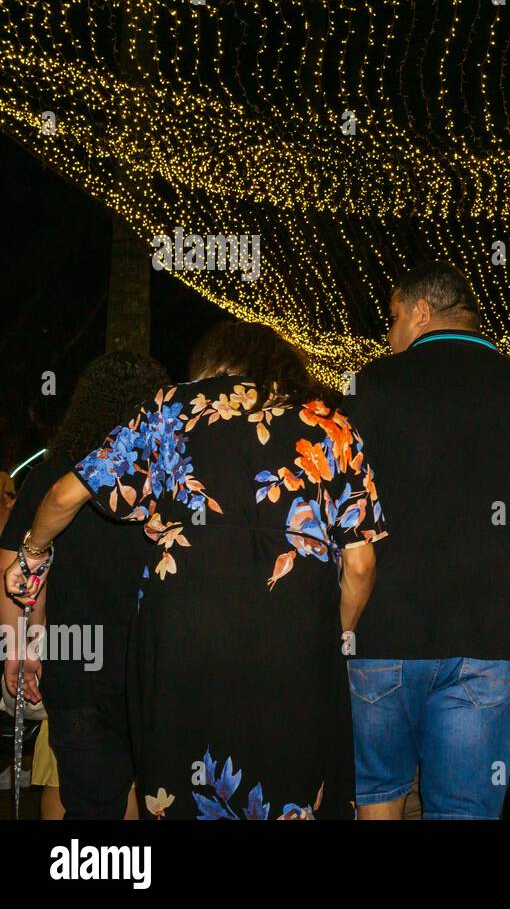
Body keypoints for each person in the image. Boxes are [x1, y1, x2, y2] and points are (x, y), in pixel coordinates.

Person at [3, 322, 384, 819]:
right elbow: (360, 562)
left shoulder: (171, 409)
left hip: (182, 642)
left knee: (184, 789)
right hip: (295, 647)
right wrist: (338, 632)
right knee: (296, 784)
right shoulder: (331, 425)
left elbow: (64, 495)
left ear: (211, 363)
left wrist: (32, 552)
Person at [344, 260, 510, 819]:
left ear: (422, 312)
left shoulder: (368, 390)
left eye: (395, 317)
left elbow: (343, 522)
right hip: (489, 644)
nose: (390, 333)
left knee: (378, 798)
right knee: (464, 810)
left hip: (382, 637)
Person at [2, 351, 167, 819]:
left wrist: (19, 646)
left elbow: (14, 570)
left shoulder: (54, 474)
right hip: (156, 667)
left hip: (75, 667)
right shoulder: (170, 477)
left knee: (89, 801)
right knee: (154, 794)